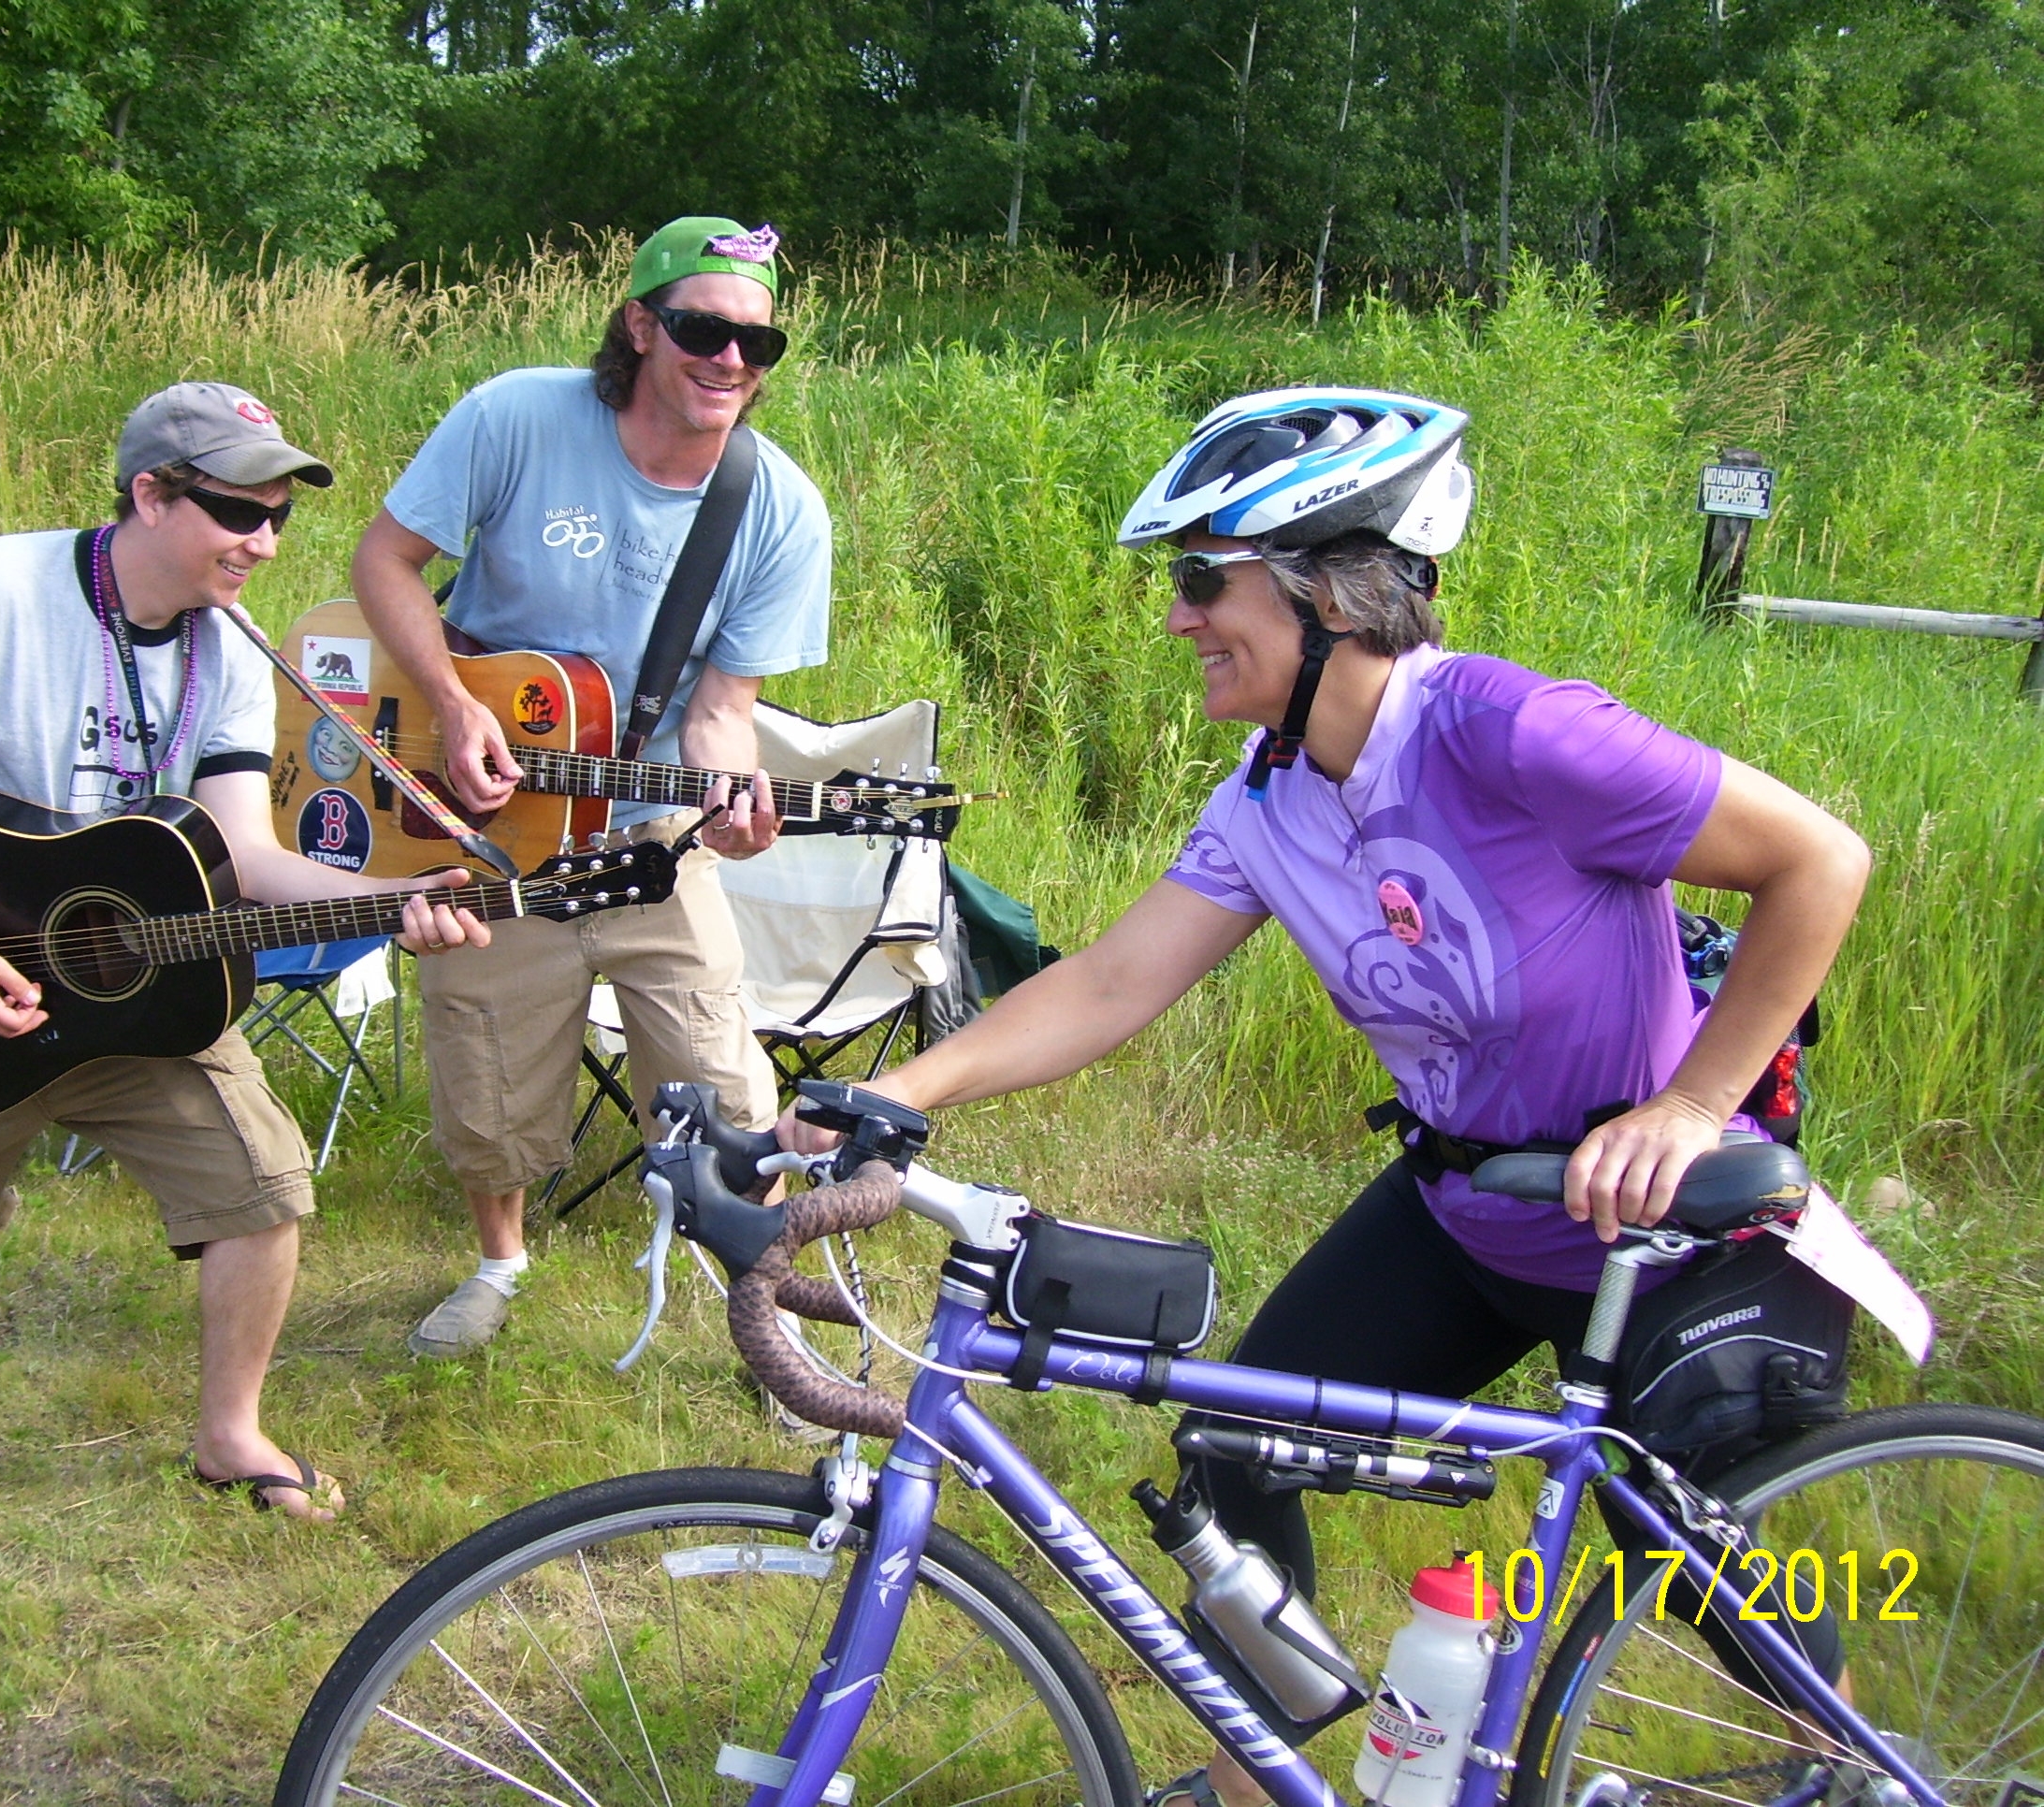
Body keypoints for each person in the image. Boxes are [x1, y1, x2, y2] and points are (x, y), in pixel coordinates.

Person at [780, 388, 1871, 1805]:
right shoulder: (1267, 794)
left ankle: (1859, 1770)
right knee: (1236, 1445)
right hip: (1477, 1204)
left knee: (1715, 1546)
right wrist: (899, 1091)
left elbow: (1821, 863)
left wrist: (1689, 1103)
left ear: (1325, 597)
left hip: (1664, 1226)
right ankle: (1259, 1791)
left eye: (1201, 582)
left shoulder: (1516, 732)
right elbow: (1116, 981)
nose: (1177, 620)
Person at [0, 383, 491, 1523]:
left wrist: (393, 897)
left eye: (279, 517)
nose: (264, 541)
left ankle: (229, 1435)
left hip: (132, 1001)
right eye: (239, 512)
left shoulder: (231, 651)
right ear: (149, 492)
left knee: (264, 1184)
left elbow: (240, 854)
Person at [352, 216, 832, 1360]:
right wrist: (455, 705)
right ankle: (496, 1266)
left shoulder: (777, 507)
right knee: (484, 1061)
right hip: (483, 819)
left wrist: (732, 804)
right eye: (702, 331)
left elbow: (719, 712)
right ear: (638, 324)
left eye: (754, 346)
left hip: (646, 827)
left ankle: (758, 1314)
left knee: (726, 1078)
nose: (728, 362)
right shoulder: (515, 416)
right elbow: (382, 563)